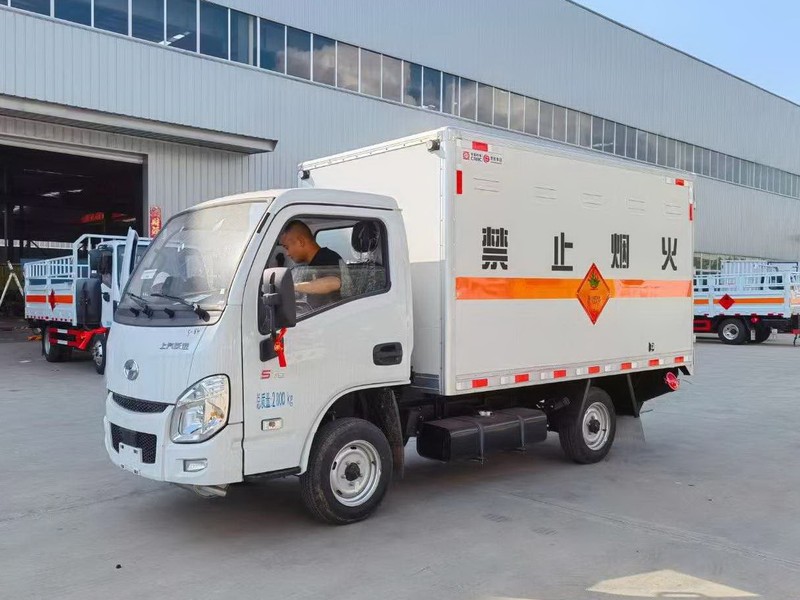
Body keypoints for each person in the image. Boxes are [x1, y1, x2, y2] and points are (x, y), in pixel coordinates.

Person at [279, 220, 343, 310]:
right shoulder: (310, 264)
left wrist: (292, 287)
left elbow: (334, 283)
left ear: (301, 241)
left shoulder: (328, 257)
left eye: (287, 247)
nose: (287, 253)